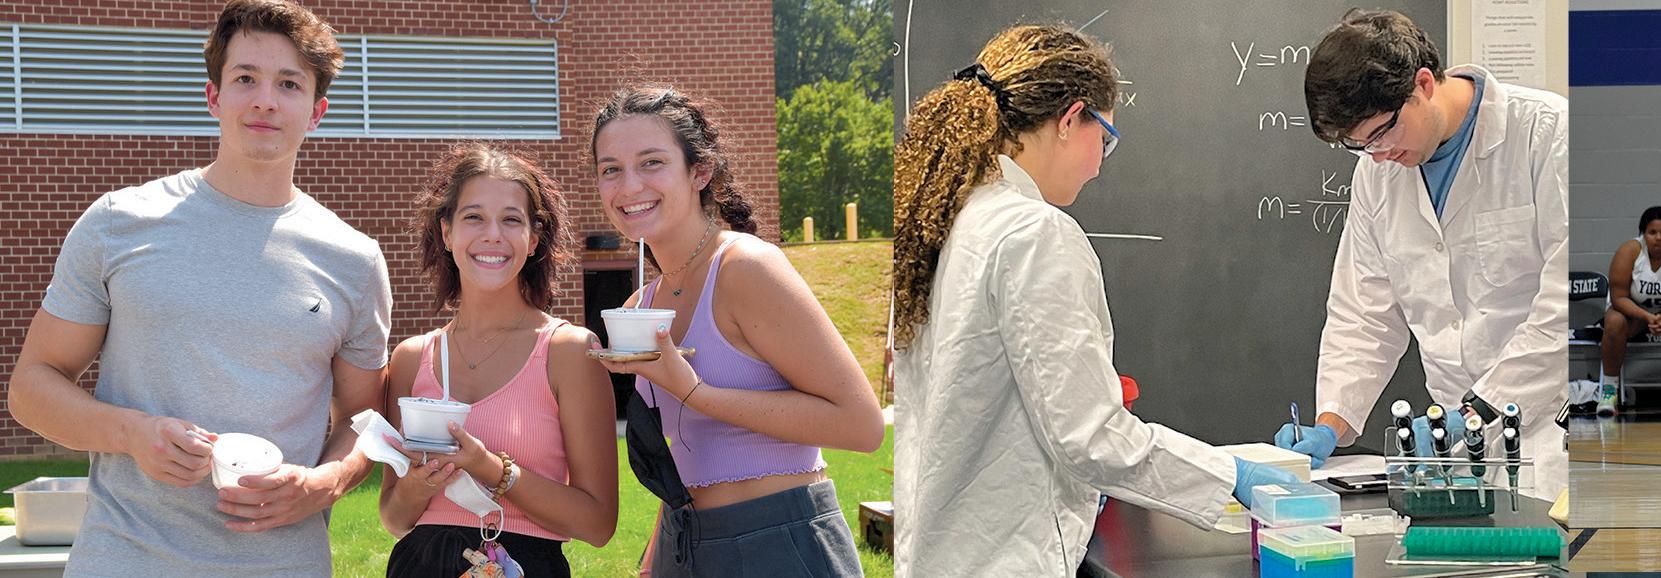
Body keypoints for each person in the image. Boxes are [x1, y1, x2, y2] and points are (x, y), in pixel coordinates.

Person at [888, 25, 1306, 576]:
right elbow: (1091, 436)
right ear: (1069, 120)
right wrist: (1230, 475)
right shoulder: (1033, 234)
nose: (1099, 164)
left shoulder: (941, 223)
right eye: (1104, 138)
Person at [5, 1, 388, 574]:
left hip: (283, 564)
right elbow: (32, 387)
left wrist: (325, 483)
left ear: (316, 111)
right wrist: (132, 434)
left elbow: (364, 416)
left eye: (289, 83)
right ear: (214, 97)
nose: (265, 99)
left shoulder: (354, 259)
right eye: (245, 78)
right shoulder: (119, 223)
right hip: (125, 559)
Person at [588, 85, 886, 577]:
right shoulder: (640, 305)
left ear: (700, 172)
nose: (629, 186)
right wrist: (654, 557)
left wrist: (695, 392)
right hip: (684, 546)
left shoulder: (745, 268)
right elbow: (688, 448)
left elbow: (862, 426)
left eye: (652, 162)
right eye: (611, 169)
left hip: (779, 542)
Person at [1276, 7, 1569, 500]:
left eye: (1381, 133)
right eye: (1357, 145)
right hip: (1455, 447)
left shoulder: (1546, 133)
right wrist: (1331, 423)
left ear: (1424, 84)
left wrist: (1479, 410)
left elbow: (1567, 308)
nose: (1377, 155)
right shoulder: (1377, 172)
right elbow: (1363, 312)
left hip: (1550, 431)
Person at [379, 145, 618, 576]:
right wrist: (419, 484)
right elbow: (394, 520)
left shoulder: (569, 352)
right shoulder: (412, 359)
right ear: (447, 232)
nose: (493, 235)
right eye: (474, 217)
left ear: (533, 239)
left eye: (511, 219)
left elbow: (598, 525)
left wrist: (488, 468)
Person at [1590, 206, 1661, 416]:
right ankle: (1609, 392)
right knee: (1614, 320)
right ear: (1643, 234)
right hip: (1636, 315)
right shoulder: (1629, 251)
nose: (1659, 237)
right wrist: (1647, 316)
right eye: (1652, 232)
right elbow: (1618, 297)